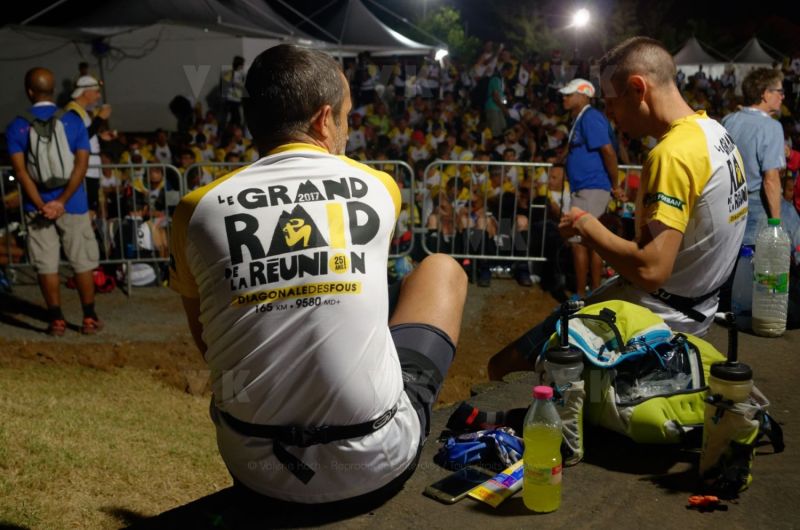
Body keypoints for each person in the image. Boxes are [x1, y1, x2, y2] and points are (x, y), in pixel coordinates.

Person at [169, 44, 467, 506]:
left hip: (255, 465)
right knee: (441, 270)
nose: (350, 128)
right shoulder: (380, 187)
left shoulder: (196, 210)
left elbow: (207, 339)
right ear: (323, 120)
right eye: (348, 115)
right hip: (375, 463)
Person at [488, 36, 747, 380]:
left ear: (638, 89)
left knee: (502, 366)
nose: (609, 117)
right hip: (695, 307)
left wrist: (586, 227)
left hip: (656, 312)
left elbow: (652, 269)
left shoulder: (672, 154)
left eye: (611, 103)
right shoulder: (715, 134)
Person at [5, 67, 103, 335]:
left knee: (46, 264)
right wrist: (62, 201)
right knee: (81, 261)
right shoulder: (72, 121)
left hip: (36, 208)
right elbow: (81, 167)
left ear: (29, 91)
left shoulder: (17, 126)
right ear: (54, 89)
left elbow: (21, 173)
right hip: (74, 202)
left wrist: (42, 204)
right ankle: (89, 317)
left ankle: (56, 319)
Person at [559, 78, 619, 298]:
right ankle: (591, 294)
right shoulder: (581, 118)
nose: (564, 98)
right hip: (587, 187)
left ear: (583, 95)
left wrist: (616, 185)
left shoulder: (590, 117)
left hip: (591, 187)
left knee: (580, 242)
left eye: (568, 94)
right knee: (589, 241)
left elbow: (608, 151)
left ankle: (583, 296)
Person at [721, 68, 786, 247]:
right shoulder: (771, 127)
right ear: (765, 94)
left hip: (728, 202)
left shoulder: (729, 120)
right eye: (780, 92)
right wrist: (776, 224)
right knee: (755, 268)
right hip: (756, 205)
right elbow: (770, 180)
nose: (783, 97)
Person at [66, 75, 111, 214]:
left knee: (93, 207)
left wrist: (99, 135)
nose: (98, 96)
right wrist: (99, 119)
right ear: (86, 92)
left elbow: (85, 134)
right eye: (96, 92)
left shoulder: (82, 111)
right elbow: (76, 139)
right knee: (87, 209)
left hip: (91, 167)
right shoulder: (73, 112)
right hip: (85, 167)